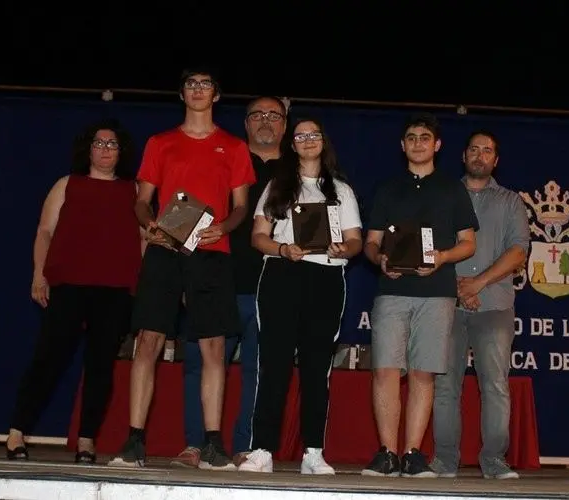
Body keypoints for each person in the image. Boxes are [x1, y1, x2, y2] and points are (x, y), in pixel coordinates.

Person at [108, 68, 256, 470]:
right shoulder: (160, 143)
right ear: (182, 94)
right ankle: (134, 441)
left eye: (205, 84)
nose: (198, 90)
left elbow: (241, 207)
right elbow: (142, 201)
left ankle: (212, 444)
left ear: (216, 95)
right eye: (191, 84)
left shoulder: (234, 147)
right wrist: (150, 225)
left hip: (212, 251)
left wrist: (223, 227)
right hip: (166, 248)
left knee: (213, 346)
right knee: (148, 340)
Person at [6, 119, 142, 464]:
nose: (105, 149)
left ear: (122, 152)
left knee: (100, 367)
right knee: (47, 360)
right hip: (68, 286)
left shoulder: (135, 190)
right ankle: (17, 433)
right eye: (99, 143)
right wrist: (39, 275)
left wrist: (141, 285)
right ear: (88, 149)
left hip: (115, 290)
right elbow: (45, 232)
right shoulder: (67, 184)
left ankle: (86, 441)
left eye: (112, 144)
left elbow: (145, 239)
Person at [238, 117, 362, 474]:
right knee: (273, 364)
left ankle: (313, 452)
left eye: (314, 134)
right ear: (292, 145)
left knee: (316, 368)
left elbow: (355, 240)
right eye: (301, 135)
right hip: (281, 274)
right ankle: (262, 449)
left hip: (326, 277)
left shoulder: (341, 190)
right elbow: (258, 236)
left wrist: (343, 250)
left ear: (323, 141)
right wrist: (282, 249)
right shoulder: (278, 186)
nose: (308, 140)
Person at [172, 96, 288, 469]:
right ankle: (196, 444)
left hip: (272, 286)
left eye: (274, 115)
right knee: (199, 365)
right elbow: (187, 209)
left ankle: (246, 448)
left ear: (285, 124)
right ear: (245, 123)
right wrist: (185, 275)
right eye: (257, 115)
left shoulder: (298, 169)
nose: (265, 121)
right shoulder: (224, 155)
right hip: (214, 277)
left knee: (259, 372)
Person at [361, 113, 478, 478]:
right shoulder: (387, 189)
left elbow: (468, 244)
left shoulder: (452, 189)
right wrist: (380, 260)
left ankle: (412, 453)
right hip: (392, 291)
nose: (417, 143)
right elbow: (371, 243)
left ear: (437, 145)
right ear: (403, 145)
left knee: (423, 373)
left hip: (436, 293)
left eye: (424, 137)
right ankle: (387, 453)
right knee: (385, 370)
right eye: (411, 137)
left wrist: (441, 257)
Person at [430, 130, 528, 480]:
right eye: (473, 149)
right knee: (444, 386)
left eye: (487, 151)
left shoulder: (511, 202)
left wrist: (478, 283)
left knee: (495, 386)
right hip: (446, 303)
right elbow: (431, 245)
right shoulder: (443, 194)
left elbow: (518, 251)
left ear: (495, 160)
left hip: (495, 305)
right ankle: (444, 461)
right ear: (463, 155)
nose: (479, 155)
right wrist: (459, 288)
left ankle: (494, 461)